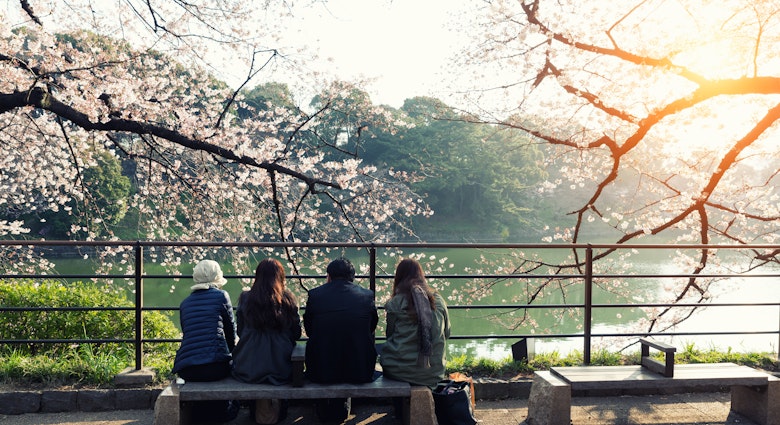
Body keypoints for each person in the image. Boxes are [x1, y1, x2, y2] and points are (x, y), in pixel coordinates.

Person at [303, 257, 378, 422]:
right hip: (359, 369)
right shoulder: (366, 296)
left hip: (321, 369)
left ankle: (327, 409)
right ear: (352, 277)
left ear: (328, 276)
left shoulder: (315, 295)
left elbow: (309, 330)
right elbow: (371, 327)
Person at [232, 258, 301, 424]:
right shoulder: (288, 299)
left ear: (257, 277)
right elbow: (296, 334)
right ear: (281, 277)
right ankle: (275, 407)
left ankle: (259, 408)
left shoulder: (246, 299)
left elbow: (240, 331)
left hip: (248, 368)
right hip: (281, 368)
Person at [172, 259, 239, 422]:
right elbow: (231, 332)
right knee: (229, 369)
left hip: (187, 368)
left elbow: (188, 333)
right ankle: (223, 411)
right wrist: (234, 356)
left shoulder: (185, 303)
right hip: (215, 367)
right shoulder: (221, 296)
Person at [380, 258, 450, 388]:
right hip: (433, 372)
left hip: (398, 371)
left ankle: (399, 407)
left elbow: (390, 335)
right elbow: (447, 332)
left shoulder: (395, 303)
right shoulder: (438, 301)